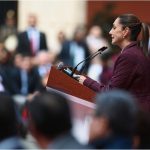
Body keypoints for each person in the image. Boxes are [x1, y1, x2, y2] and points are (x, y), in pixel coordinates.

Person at [78, 14, 150, 112]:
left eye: (114, 27)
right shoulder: (136, 51)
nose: (110, 31)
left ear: (125, 31)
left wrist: (85, 81)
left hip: (136, 117)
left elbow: (111, 92)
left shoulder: (129, 56)